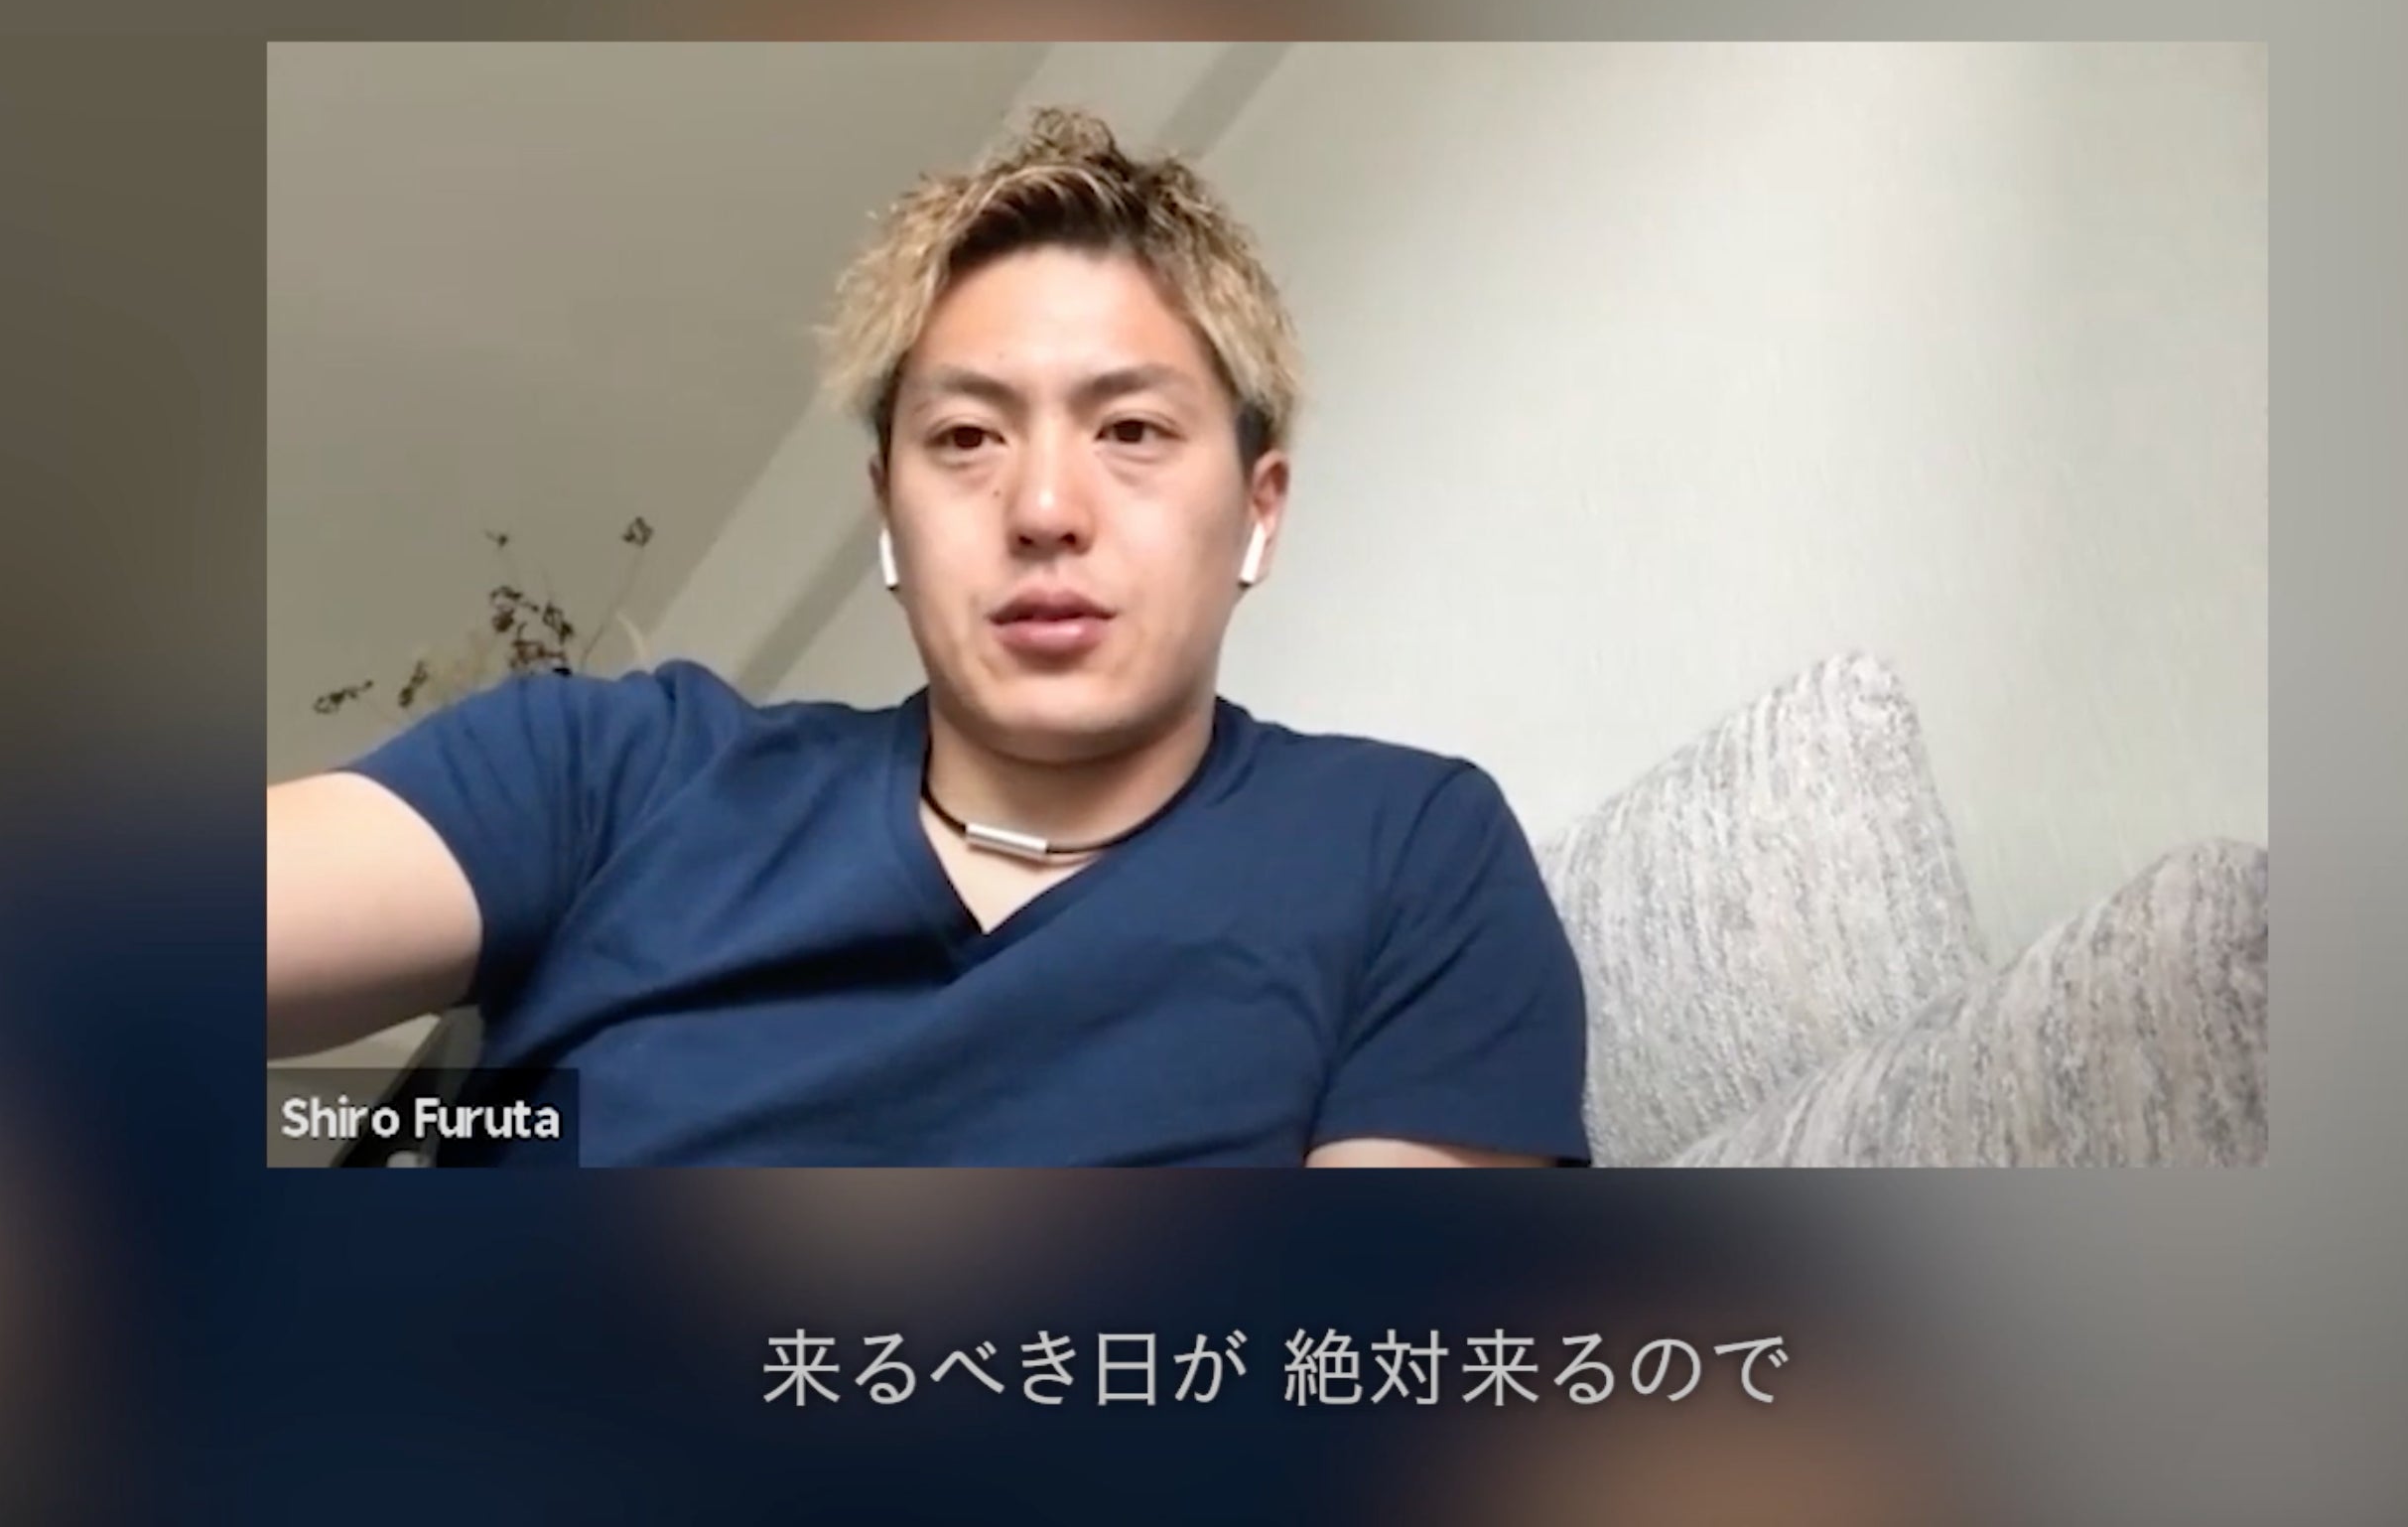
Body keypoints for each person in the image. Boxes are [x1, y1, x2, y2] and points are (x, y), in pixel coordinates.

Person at [265, 106, 1589, 1165]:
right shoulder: (615, 774)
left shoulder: (1405, 856)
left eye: (1131, 430)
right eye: (964, 438)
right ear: (887, 514)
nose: (1045, 508)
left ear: (1258, 509)